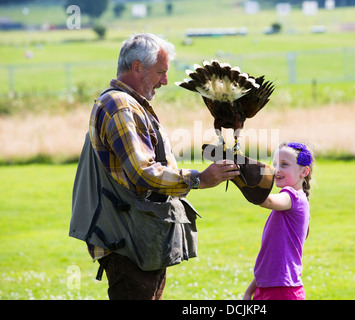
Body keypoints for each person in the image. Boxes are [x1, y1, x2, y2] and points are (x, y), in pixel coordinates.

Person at [70, 33, 239, 300]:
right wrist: (199, 179)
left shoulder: (129, 104)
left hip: (138, 237)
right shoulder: (119, 105)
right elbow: (143, 172)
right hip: (128, 241)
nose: (165, 81)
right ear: (137, 68)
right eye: (160, 72)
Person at [243, 142, 314, 300]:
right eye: (275, 164)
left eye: (284, 164)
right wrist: (250, 291)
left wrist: (242, 175)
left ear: (304, 171)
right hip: (268, 287)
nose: (277, 169)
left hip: (283, 291)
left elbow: (265, 201)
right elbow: (272, 260)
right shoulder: (293, 200)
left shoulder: (292, 196)